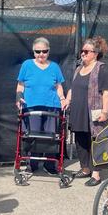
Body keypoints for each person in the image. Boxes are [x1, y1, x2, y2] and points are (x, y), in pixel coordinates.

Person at [65, 36, 108, 186]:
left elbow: (106, 93)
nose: (83, 54)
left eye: (86, 51)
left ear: (95, 53)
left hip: (94, 112)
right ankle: (85, 169)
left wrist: (105, 112)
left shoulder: (102, 69)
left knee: (96, 141)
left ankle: (96, 174)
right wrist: (67, 100)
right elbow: (73, 88)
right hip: (78, 112)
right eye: (82, 51)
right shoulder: (79, 68)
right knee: (80, 140)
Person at [15, 37, 66, 174]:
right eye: (38, 51)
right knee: (32, 136)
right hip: (31, 106)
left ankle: (50, 165)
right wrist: (18, 97)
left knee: (50, 136)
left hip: (52, 106)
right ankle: (31, 165)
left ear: (49, 51)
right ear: (33, 52)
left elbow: (58, 86)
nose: (41, 54)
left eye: (44, 51)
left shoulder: (55, 67)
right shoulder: (27, 65)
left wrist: (62, 99)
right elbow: (20, 85)